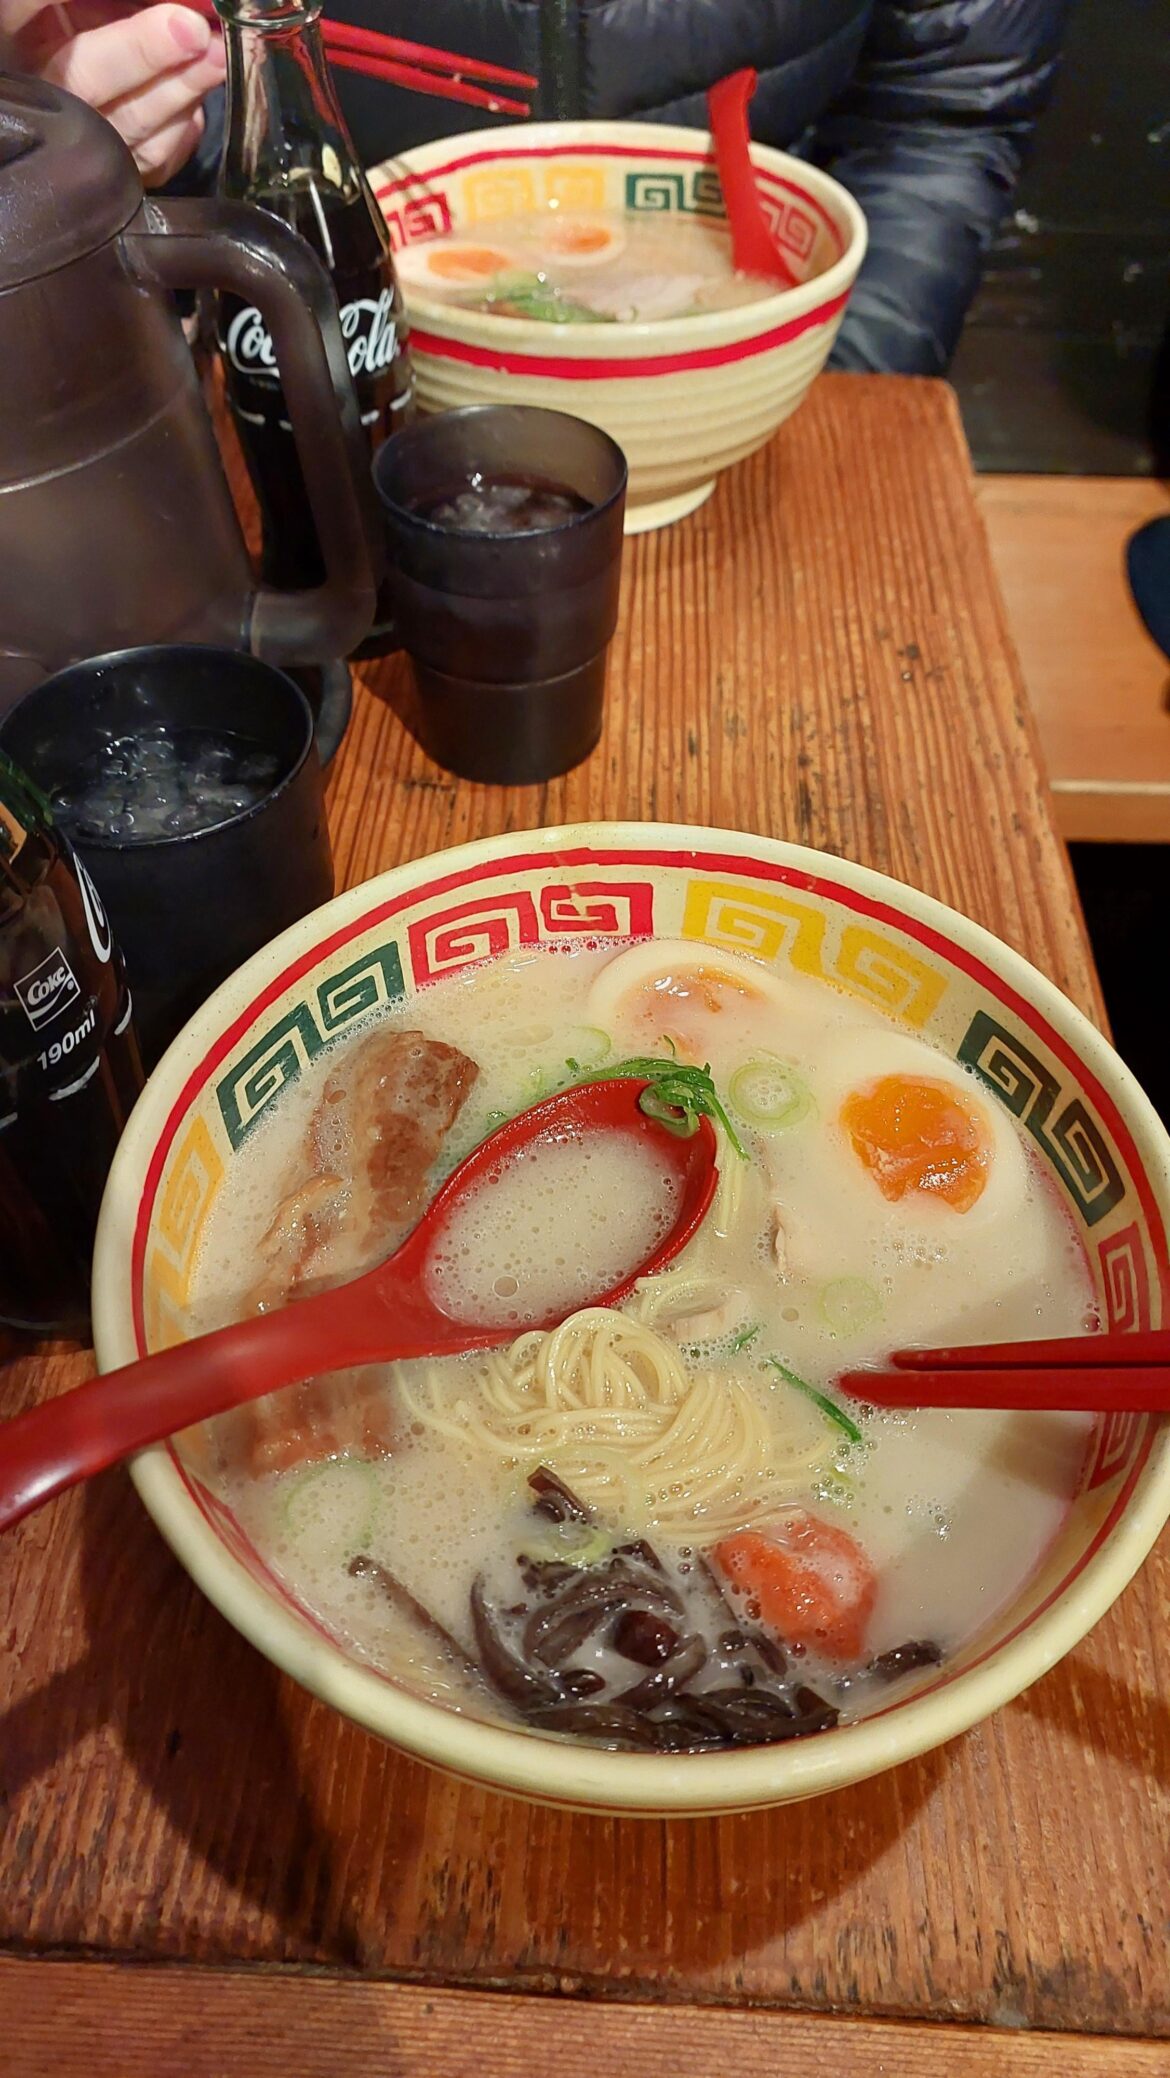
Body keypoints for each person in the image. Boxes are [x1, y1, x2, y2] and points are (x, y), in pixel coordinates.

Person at [2, 0, 1071, 376]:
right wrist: (65, 153)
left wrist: (823, 378)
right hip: (336, 414)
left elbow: (948, 104)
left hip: (762, 402)